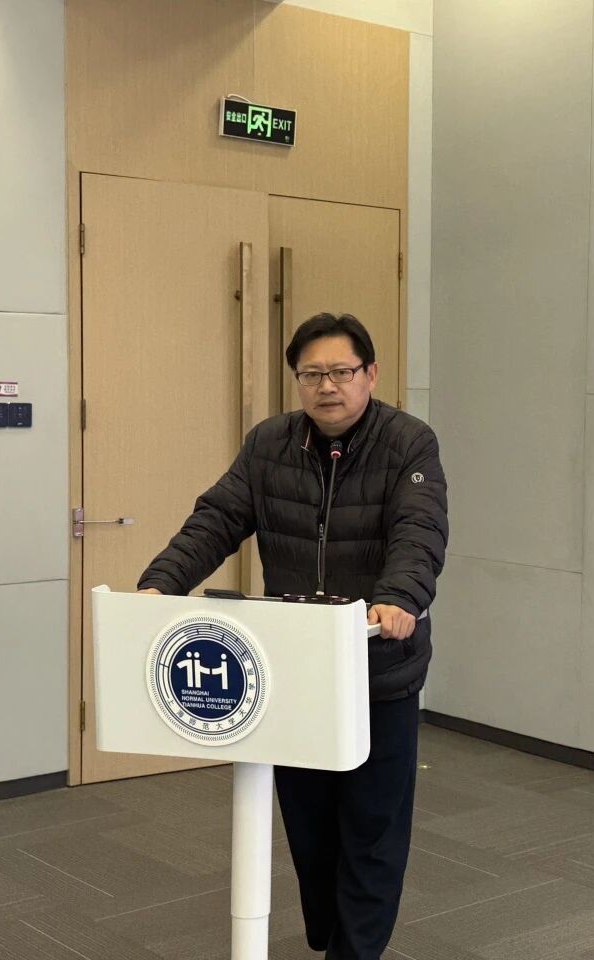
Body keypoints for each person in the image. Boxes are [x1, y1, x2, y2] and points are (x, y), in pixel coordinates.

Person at [136, 312, 448, 959]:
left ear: (370, 374)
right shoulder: (269, 444)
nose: (326, 386)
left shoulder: (408, 443)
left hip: (378, 669)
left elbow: (419, 532)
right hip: (295, 670)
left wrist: (399, 597)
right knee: (309, 828)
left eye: (341, 371)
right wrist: (162, 583)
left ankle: (353, 953)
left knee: (372, 827)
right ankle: (332, 936)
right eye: (311, 374)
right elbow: (217, 519)